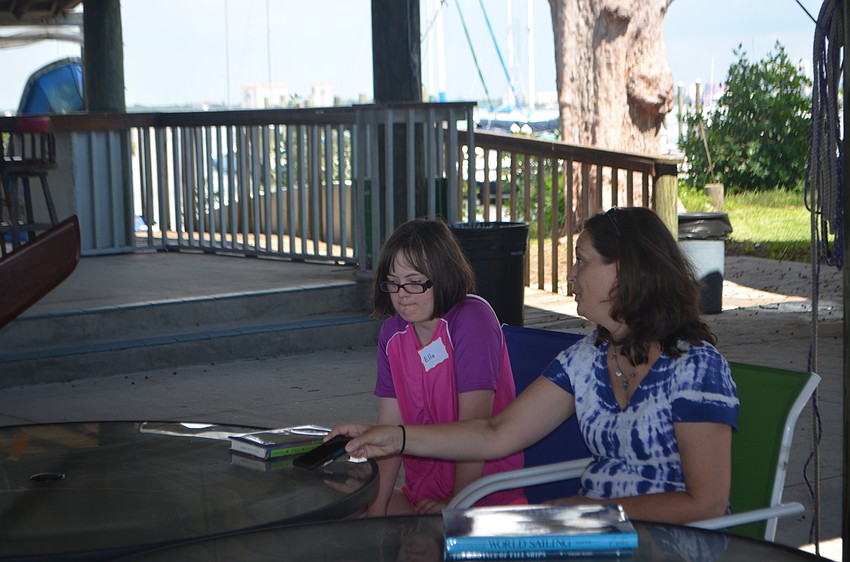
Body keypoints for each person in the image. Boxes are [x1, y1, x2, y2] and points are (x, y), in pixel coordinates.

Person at [333, 207, 739, 525]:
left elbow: (706, 503)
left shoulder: (696, 367)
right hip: (594, 533)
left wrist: (590, 510)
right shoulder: (586, 358)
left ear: (626, 270)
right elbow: (495, 433)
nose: (572, 275)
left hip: (671, 542)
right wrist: (394, 437)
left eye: (581, 261)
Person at [363, 217, 526, 516]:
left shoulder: (472, 319)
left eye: (415, 282)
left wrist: (456, 506)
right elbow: (388, 433)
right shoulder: (391, 334)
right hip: (421, 497)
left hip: (484, 500)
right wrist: (376, 508)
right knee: (342, 508)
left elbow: (475, 433)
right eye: (393, 282)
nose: (402, 293)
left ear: (443, 275)